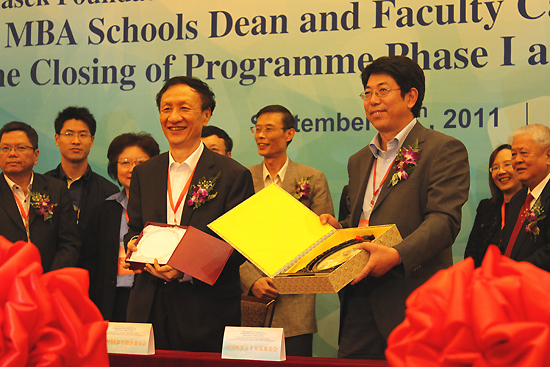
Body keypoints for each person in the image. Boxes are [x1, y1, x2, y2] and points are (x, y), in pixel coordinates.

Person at [320, 55, 470, 359]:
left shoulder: (443, 149)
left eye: (383, 90)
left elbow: (444, 221)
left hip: (412, 298)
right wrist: (340, 231)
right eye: (368, 93)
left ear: (411, 96)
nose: (373, 100)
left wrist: (397, 254)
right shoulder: (359, 160)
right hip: (359, 298)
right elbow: (360, 221)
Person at [124, 76, 255, 352]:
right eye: (166, 108)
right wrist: (133, 242)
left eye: (184, 108)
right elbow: (134, 226)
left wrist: (186, 268)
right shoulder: (144, 173)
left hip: (205, 311)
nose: (174, 117)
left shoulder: (232, 175)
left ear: (206, 115)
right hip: (148, 308)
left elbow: (239, 247)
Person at [241, 104, 334, 357]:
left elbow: (324, 242)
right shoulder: (242, 179)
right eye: (257, 130)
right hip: (253, 297)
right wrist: (251, 279)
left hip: (296, 301)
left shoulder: (312, 178)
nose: (260, 136)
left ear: (289, 134)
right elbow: (229, 239)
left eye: (268, 129)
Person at [83, 132, 159, 321]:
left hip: (154, 301)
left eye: (141, 162)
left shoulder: (163, 208)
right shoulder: (102, 210)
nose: (133, 169)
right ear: (114, 168)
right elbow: (90, 263)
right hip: (112, 300)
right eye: (125, 162)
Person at [0, 121, 80, 272]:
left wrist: (47, 281)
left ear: (36, 155)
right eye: (5, 148)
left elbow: (69, 243)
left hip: (48, 283)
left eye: (20, 148)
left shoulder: (56, 189)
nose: (12, 153)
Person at [45, 106, 119, 253]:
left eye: (83, 135)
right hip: (50, 270)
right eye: (69, 134)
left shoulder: (109, 192)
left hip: (92, 272)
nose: (76, 141)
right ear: (57, 139)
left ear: (92, 141)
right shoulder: (41, 185)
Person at [500, 124, 550, 270]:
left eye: (524, 153)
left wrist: (514, 271)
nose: (517, 160)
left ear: (548, 156)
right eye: (514, 154)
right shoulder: (517, 199)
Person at [464, 144, 522, 267]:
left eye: (507, 165)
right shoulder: (486, 207)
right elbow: (470, 255)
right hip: (485, 281)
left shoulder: (533, 206)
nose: (501, 172)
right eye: (495, 168)